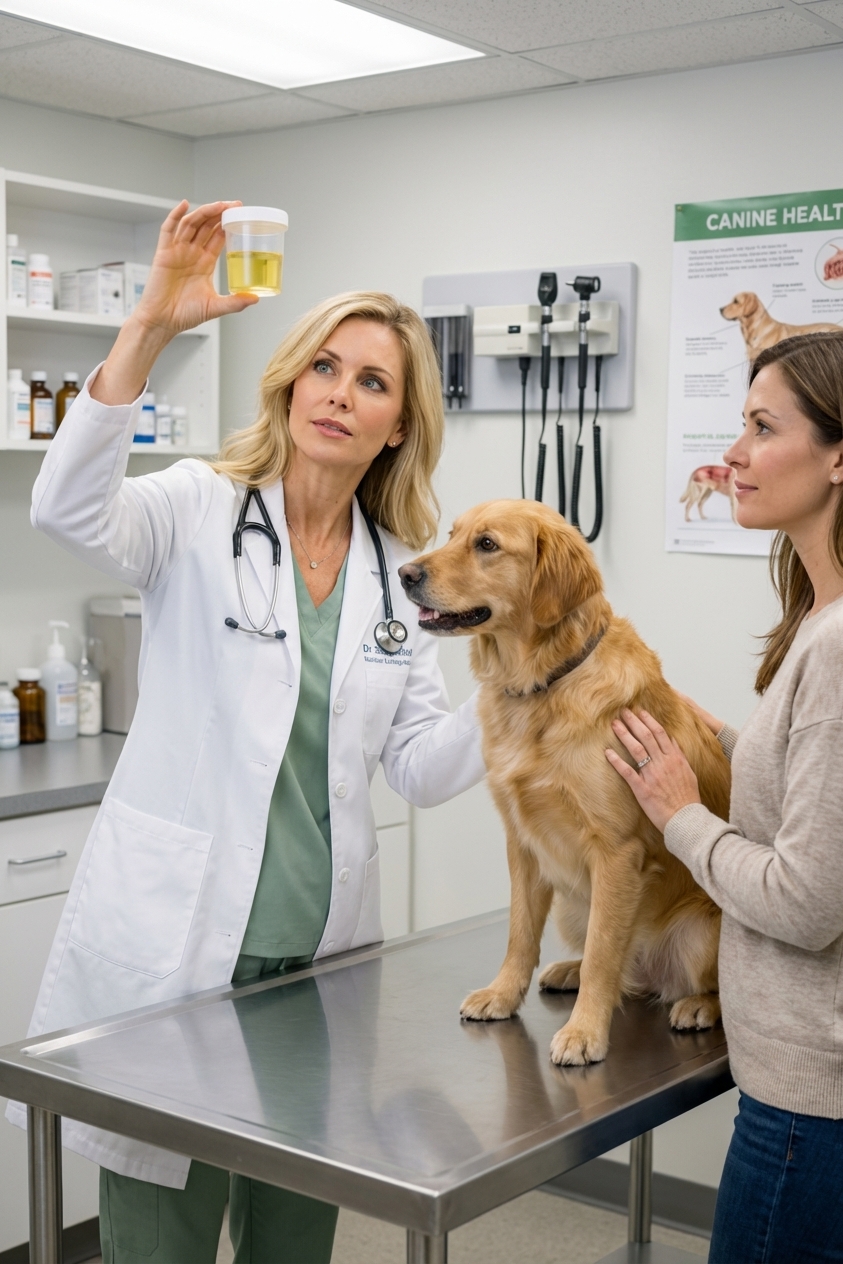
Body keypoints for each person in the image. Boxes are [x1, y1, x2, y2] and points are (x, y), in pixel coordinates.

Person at [7, 201, 485, 1263]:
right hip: (181, 964)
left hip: (312, 979)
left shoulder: (398, 576)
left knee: (290, 1240)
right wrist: (150, 328)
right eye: (325, 367)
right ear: (290, 382)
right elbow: (65, 510)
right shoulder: (195, 508)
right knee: (162, 1236)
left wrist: (523, 687)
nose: (340, 395)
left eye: (373, 382)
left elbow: (419, 764)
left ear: (398, 424)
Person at [606, 331, 843, 1264]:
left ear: (836, 455)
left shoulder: (833, 649)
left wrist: (680, 814)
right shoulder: (820, 624)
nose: (732, 454)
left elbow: (806, 900)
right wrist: (728, 749)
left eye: (759, 427)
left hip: (807, 1108)